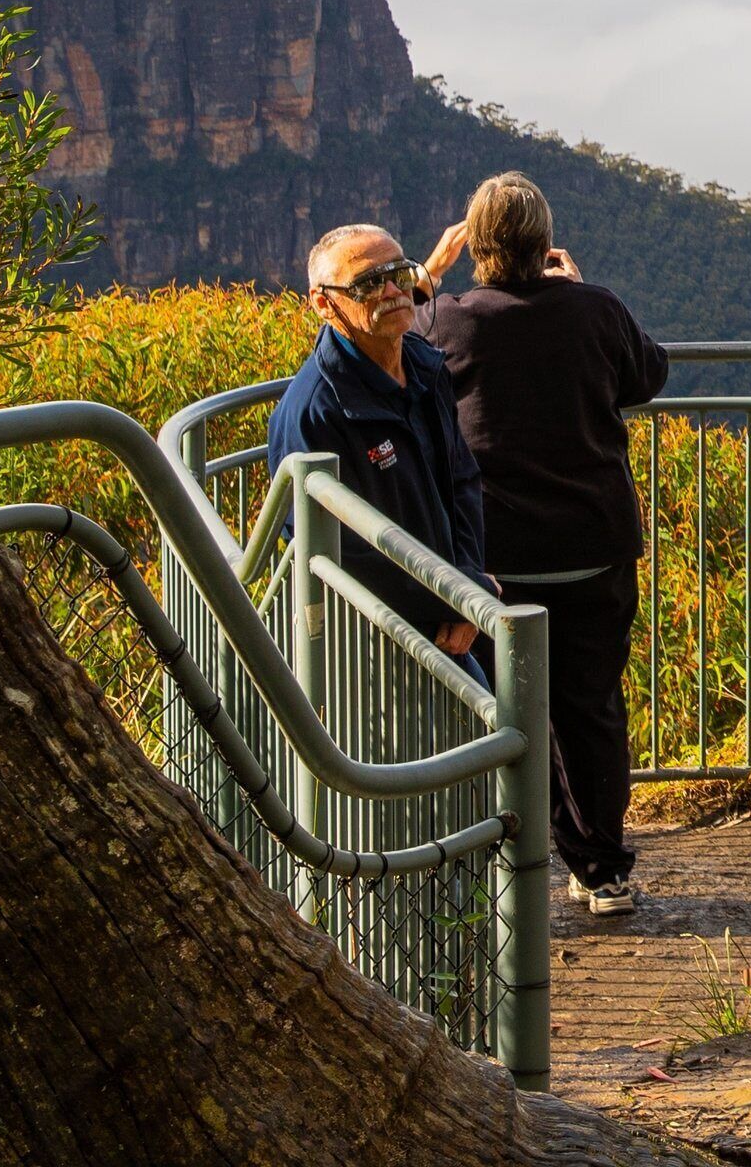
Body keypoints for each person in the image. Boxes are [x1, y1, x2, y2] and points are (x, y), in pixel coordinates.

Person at [419, 173, 671, 919]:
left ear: (475, 245)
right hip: (593, 549)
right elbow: (647, 374)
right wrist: (583, 292)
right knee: (589, 709)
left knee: (499, 711)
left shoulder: (450, 322)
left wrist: (429, 273)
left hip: (496, 565)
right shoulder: (595, 311)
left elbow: (390, 344)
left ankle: (499, 869)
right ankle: (602, 870)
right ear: (546, 242)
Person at [268, 225, 492, 673]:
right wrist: (451, 597)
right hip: (371, 654)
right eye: (368, 283)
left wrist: (467, 581)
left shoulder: (426, 368)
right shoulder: (314, 414)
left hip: (449, 627)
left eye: (399, 273)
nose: (392, 291)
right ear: (324, 304)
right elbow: (335, 551)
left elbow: (461, 480)